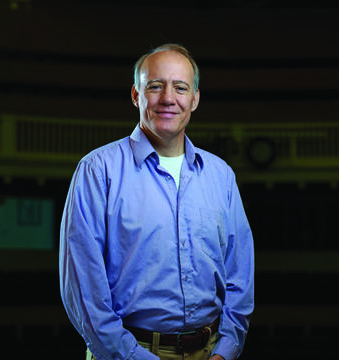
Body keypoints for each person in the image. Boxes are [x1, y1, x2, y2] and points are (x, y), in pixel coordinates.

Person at [59, 43, 255, 360]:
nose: (168, 98)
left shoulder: (221, 176)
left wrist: (227, 349)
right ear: (136, 95)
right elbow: (84, 292)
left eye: (180, 87)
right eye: (155, 86)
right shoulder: (97, 171)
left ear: (195, 99)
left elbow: (240, 277)